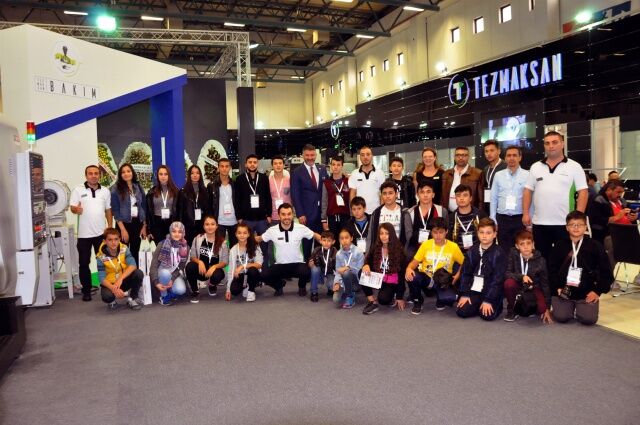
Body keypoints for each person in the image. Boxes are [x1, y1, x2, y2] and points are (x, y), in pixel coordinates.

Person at [523, 131, 588, 260]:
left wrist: (578, 218)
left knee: (564, 259)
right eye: (547, 143)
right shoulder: (535, 167)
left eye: (554, 142)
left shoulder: (575, 166)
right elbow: (527, 191)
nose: (551, 146)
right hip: (540, 223)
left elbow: (583, 192)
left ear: (562, 144)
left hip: (564, 223)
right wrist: (525, 213)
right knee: (541, 260)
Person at [548, 211, 613, 325]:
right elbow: (551, 269)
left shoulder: (595, 246)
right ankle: (568, 307)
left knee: (588, 319)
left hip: (586, 291)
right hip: (564, 290)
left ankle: (579, 307)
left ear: (585, 227)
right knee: (561, 317)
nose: (576, 227)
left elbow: (606, 271)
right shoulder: (560, 245)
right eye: (572, 224)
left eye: (580, 224)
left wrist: (597, 291)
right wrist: (557, 287)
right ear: (567, 227)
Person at [257, 203, 321, 296]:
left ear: (293, 215)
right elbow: (260, 239)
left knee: (307, 270)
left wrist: (325, 241)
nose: (286, 217)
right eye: (283, 214)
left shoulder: (300, 228)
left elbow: (314, 235)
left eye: (289, 214)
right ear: (279, 215)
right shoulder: (272, 230)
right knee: (263, 275)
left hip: (297, 265)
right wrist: (245, 240)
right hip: (280, 265)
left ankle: (301, 287)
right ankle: (279, 286)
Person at [70, 165, 113, 301]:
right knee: (84, 263)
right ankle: (86, 291)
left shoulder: (105, 191)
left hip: (101, 234)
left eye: (96, 173)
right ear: (86, 175)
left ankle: (107, 288)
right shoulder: (78, 190)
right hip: (84, 235)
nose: (93, 175)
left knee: (105, 262)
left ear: (99, 175)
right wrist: (76, 210)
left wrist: (110, 227)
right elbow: (72, 207)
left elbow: (108, 210)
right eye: (90, 173)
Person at [405, 217, 464, 314]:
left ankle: (440, 299)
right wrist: (408, 268)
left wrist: (457, 276)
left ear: (446, 232)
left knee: (449, 299)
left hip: (442, 281)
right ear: (431, 233)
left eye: (441, 232)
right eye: (435, 232)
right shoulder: (426, 245)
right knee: (412, 275)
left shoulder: (453, 247)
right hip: (427, 279)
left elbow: (464, 263)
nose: (438, 236)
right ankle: (418, 300)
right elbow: (414, 262)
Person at [456, 218, 506, 321]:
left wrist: (488, 300)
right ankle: (477, 304)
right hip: (474, 289)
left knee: (488, 316)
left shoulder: (499, 253)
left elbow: (498, 280)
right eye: (481, 232)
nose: (484, 236)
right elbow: (465, 273)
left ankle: (494, 304)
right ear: (477, 233)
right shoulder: (472, 251)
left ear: (494, 234)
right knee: (462, 311)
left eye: (488, 233)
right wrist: (465, 294)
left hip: (490, 290)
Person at [503, 230, 552, 323]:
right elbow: (507, 273)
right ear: (517, 246)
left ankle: (527, 305)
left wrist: (547, 308)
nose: (526, 247)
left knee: (541, 309)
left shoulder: (541, 260)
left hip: (533, 288)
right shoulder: (513, 255)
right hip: (518, 285)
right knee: (508, 283)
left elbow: (545, 284)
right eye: (522, 244)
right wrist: (522, 277)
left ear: (533, 244)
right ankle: (512, 309)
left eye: (528, 243)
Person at [291, 144, 328, 260]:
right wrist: (300, 213)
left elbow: (328, 187)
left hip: (321, 214)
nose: (310, 157)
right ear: (303, 155)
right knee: (306, 244)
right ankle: (306, 268)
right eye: (307, 155)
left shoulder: (322, 169)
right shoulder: (297, 172)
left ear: (316, 155)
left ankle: (320, 266)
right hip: (306, 215)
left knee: (321, 243)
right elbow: (295, 194)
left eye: (312, 155)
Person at [361, 223, 407, 315]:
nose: (384, 236)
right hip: (379, 278)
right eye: (381, 233)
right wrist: (366, 265)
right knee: (362, 273)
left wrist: (400, 297)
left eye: (387, 233)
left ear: (392, 235)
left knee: (383, 300)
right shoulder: (376, 246)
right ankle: (372, 301)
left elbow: (401, 275)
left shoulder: (398, 249)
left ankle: (392, 294)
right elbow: (368, 259)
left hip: (392, 282)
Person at [490, 146, 530, 250]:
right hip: (502, 219)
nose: (511, 158)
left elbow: (531, 200)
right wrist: (493, 219)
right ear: (505, 158)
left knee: (521, 249)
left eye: (514, 155)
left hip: (520, 219)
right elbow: (493, 198)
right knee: (503, 250)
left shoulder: (528, 175)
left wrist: (530, 221)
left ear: (520, 157)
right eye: (508, 155)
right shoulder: (498, 175)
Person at [96, 228, 144, 311]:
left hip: (123, 280)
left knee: (138, 273)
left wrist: (120, 279)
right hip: (111, 283)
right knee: (107, 297)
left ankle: (132, 298)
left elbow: (133, 265)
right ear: (104, 241)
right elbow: (101, 278)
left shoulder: (124, 248)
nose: (113, 242)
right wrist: (114, 289)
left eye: (116, 239)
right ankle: (112, 301)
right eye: (110, 240)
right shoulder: (100, 257)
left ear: (119, 239)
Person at [234, 154, 272, 257]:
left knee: (264, 244)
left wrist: (269, 214)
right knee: (247, 244)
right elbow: (237, 199)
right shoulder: (240, 179)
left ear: (257, 164)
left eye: (254, 162)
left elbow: (268, 197)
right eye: (250, 162)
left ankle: (264, 265)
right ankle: (247, 263)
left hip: (262, 218)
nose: (252, 164)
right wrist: (239, 216)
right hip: (246, 218)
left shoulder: (264, 178)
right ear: (246, 164)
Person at [185, 216, 228, 303]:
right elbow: (192, 257)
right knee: (190, 266)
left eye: (212, 224)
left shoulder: (223, 242)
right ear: (204, 226)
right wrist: (199, 262)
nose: (210, 227)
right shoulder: (197, 238)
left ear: (216, 226)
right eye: (207, 224)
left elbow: (225, 262)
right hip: (201, 270)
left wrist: (214, 267)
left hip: (214, 272)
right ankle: (195, 291)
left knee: (218, 274)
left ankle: (212, 285)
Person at [110, 163, 147, 265]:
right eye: (123, 172)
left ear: (132, 172)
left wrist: (144, 225)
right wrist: (122, 230)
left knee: (135, 252)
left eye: (128, 171)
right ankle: (124, 274)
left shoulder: (138, 186)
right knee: (122, 253)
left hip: (137, 223)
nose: (126, 174)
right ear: (120, 175)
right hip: (123, 224)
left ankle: (135, 273)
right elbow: (116, 210)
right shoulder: (115, 189)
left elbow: (144, 206)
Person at [149, 221, 189, 306]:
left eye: (180, 232)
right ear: (170, 232)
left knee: (181, 290)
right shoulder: (162, 244)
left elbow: (181, 267)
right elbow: (154, 265)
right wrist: (156, 282)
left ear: (183, 233)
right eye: (174, 231)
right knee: (165, 273)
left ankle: (169, 290)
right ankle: (163, 296)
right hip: (161, 273)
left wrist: (172, 279)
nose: (177, 234)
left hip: (174, 273)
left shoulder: (186, 247)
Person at [405, 180, 448, 258]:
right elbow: (409, 236)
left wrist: (421, 235)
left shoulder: (442, 211)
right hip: (415, 249)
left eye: (428, 192)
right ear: (417, 195)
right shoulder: (409, 212)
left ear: (433, 194)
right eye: (422, 192)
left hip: (437, 247)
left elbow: (445, 233)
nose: (425, 195)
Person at [589, 179, 638, 244]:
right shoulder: (599, 201)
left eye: (622, 192)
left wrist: (633, 218)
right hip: (611, 234)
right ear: (609, 190)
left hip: (628, 231)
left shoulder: (622, 201)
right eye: (618, 192)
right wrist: (616, 217)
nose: (620, 195)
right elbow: (596, 221)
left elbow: (631, 219)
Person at [225, 223, 263, 302]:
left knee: (252, 270)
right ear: (236, 234)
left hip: (253, 273)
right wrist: (228, 289)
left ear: (248, 234)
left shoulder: (255, 246)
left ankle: (251, 291)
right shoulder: (233, 250)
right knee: (234, 291)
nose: (242, 235)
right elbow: (231, 270)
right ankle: (246, 285)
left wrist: (243, 266)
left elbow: (259, 264)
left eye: (245, 233)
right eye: (239, 233)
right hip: (241, 275)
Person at [369, 181, 412, 247]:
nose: (387, 196)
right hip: (380, 251)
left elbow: (409, 236)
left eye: (390, 193)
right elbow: (370, 237)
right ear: (381, 195)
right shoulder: (376, 213)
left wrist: (404, 251)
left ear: (396, 194)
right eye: (384, 193)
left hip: (399, 250)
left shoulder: (404, 212)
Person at [441, 146, 484, 212]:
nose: (460, 157)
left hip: (470, 213)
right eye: (458, 155)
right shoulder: (446, 174)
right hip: (449, 214)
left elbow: (481, 199)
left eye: (464, 155)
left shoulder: (477, 173)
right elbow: (442, 197)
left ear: (468, 157)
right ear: (454, 157)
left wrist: (480, 214)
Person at [208, 158, 238, 247]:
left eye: (226, 166)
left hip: (234, 220)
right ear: (218, 168)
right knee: (219, 247)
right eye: (222, 166)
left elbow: (239, 201)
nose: (224, 169)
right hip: (219, 221)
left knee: (234, 248)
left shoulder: (235, 184)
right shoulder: (212, 185)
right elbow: (210, 204)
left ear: (230, 168)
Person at [449, 184, 487, 252]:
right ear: (455, 198)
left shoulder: (480, 215)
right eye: (458, 195)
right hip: (458, 254)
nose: (461, 198)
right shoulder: (451, 218)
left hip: (478, 254)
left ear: (470, 198)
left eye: (465, 195)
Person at [321, 156, 350, 244]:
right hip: (332, 218)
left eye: (338, 165)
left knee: (346, 242)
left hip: (346, 217)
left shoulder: (348, 181)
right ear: (330, 166)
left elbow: (351, 200)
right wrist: (324, 219)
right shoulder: (326, 183)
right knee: (334, 243)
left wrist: (352, 217)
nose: (336, 167)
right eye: (333, 164)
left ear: (342, 166)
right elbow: (324, 202)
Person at [146, 165, 179, 243]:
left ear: (169, 176)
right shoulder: (152, 192)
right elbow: (148, 212)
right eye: (161, 174)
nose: (163, 176)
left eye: (165, 174)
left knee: (171, 247)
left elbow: (179, 210)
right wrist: (149, 230)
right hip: (157, 224)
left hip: (171, 222)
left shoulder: (176, 191)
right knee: (160, 247)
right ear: (157, 176)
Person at [178, 165, 209, 246]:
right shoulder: (183, 192)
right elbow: (180, 211)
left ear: (200, 175)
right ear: (189, 175)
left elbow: (208, 210)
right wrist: (180, 227)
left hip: (202, 226)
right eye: (192, 173)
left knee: (201, 248)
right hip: (188, 226)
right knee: (189, 249)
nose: (195, 175)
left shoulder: (205, 191)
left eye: (197, 173)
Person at [349, 146, 386, 215]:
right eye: (362, 155)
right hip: (360, 214)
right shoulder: (354, 174)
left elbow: (383, 194)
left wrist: (382, 211)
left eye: (368, 154)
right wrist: (353, 211)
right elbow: (352, 194)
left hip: (376, 212)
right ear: (360, 157)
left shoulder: (380, 173)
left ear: (372, 156)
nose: (365, 157)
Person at [333, 228, 365, 309]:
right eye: (342, 238)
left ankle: (350, 296)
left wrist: (348, 268)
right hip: (343, 281)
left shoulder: (358, 252)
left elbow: (360, 271)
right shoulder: (338, 254)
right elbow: (337, 271)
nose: (344, 241)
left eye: (346, 238)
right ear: (339, 240)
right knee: (336, 300)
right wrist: (336, 283)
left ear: (351, 238)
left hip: (356, 281)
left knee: (346, 272)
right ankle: (347, 291)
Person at [309, 231, 337, 302]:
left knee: (331, 285)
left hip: (331, 272)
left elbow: (337, 266)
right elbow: (310, 261)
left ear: (333, 242)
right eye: (324, 240)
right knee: (314, 269)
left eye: (329, 241)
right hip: (320, 272)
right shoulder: (316, 250)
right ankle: (314, 292)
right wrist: (310, 264)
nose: (326, 243)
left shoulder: (335, 251)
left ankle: (330, 289)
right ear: (320, 241)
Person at [482, 140, 507, 213]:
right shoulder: (486, 168)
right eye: (486, 151)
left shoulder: (506, 166)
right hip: (488, 205)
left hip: (502, 207)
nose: (488, 154)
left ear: (499, 151)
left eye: (492, 150)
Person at [268, 155, 291, 226]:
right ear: (272, 166)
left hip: (287, 216)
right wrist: (267, 215)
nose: (278, 165)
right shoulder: (268, 181)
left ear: (283, 165)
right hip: (273, 217)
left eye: (280, 163)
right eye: (275, 163)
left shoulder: (289, 180)